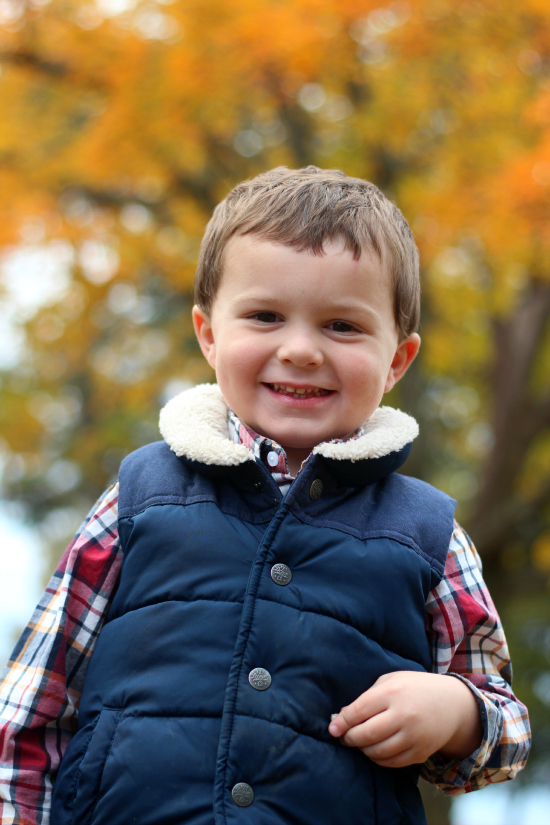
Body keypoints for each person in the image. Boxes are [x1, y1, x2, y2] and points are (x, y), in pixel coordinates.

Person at [0, 166, 530, 825]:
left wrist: (455, 712)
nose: (301, 349)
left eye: (342, 325)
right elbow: (34, 702)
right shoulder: (140, 494)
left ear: (397, 360)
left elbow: (506, 728)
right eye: (265, 316)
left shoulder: (427, 534)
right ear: (209, 334)